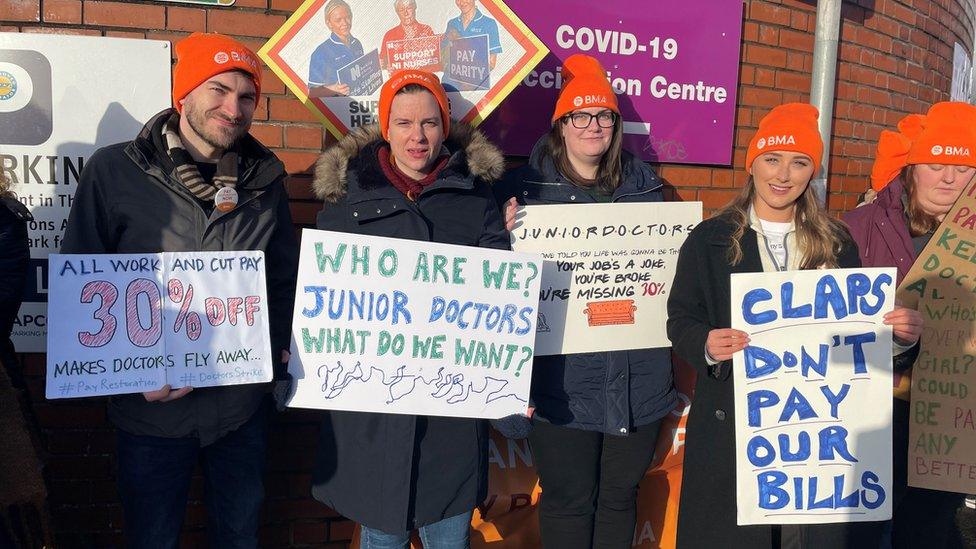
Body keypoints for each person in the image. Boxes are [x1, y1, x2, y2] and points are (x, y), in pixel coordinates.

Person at [61, 33, 298, 548]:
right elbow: (82, 283)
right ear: (183, 94)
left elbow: (281, 280)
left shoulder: (266, 179)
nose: (232, 108)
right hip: (150, 414)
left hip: (239, 411)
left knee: (238, 536)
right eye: (217, 90)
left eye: (246, 96)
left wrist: (277, 350)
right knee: (153, 539)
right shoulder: (116, 170)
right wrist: (131, 372)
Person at [666, 103, 922, 549]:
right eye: (772, 159)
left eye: (799, 162)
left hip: (816, 437)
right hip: (735, 426)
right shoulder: (709, 238)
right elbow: (680, 318)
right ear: (753, 165)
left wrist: (897, 339)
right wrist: (705, 344)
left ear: (812, 172)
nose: (783, 174)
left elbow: (855, 338)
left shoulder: (836, 241)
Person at [309, 69, 507, 548]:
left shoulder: (476, 203)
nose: (417, 137)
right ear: (385, 127)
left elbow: (501, 309)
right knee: (382, 535)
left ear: (444, 126)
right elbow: (322, 301)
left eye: (429, 123)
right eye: (403, 123)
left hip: (451, 416)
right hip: (376, 417)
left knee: (448, 537)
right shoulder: (347, 202)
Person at [493, 53, 675, 549]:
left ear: (615, 125)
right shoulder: (520, 192)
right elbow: (487, 285)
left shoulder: (652, 191)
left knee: (620, 499)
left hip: (634, 377)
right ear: (561, 125)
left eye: (603, 116)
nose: (592, 126)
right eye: (580, 115)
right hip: (561, 382)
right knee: (568, 502)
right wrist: (498, 235)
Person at [843, 101, 976, 549]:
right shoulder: (857, 226)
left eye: (963, 167)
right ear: (912, 167)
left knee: (930, 528)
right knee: (860, 529)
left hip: (951, 412)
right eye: (936, 163)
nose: (949, 178)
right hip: (873, 406)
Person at [441, 0, 501, 91]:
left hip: (473, 86)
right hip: (450, 84)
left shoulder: (488, 23)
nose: (462, 2)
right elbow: (443, 56)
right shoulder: (452, 23)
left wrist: (470, 81)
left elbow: (492, 63)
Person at [308, 0, 364, 97]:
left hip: (358, 104)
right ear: (329, 23)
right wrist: (333, 89)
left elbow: (362, 72)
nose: (345, 23)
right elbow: (312, 92)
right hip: (337, 107)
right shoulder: (320, 53)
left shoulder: (357, 44)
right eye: (338, 20)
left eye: (347, 17)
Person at [380, 0, 439, 73]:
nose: (406, 13)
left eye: (409, 8)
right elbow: (383, 61)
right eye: (401, 10)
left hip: (422, 78)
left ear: (415, 8)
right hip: (401, 80)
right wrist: (385, 65)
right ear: (397, 13)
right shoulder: (390, 35)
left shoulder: (426, 30)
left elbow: (435, 57)